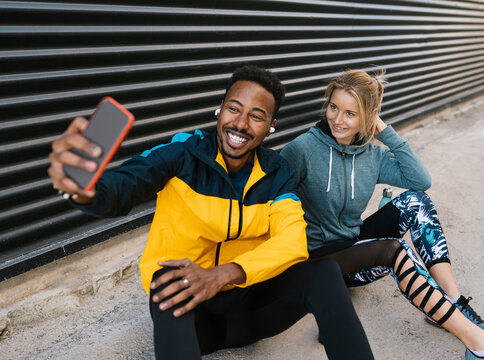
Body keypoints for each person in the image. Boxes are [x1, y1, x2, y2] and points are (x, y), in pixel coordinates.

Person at [48, 65, 374, 359]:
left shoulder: (277, 173)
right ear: (219, 110)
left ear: (271, 127)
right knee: (167, 280)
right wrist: (86, 190)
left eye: (257, 116)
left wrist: (221, 275)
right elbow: (124, 186)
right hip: (195, 320)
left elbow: (293, 242)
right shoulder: (181, 154)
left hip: (253, 310)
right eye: (234, 109)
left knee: (324, 272)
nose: (241, 124)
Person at [280, 69, 484, 360]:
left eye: (351, 113)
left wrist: (385, 132)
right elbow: (270, 196)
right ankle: (481, 348)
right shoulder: (303, 149)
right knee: (395, 250)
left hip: (354, 249)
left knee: (417, 202)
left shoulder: (371, 155)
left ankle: (452, 301)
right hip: (319, 260)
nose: (338, 119)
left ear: (370, 116)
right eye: (334, 107)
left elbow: (420, 179)